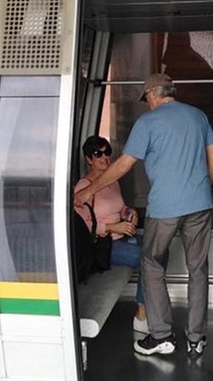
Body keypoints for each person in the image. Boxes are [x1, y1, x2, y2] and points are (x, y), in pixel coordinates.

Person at [75, 73, 213, 357]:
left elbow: (123, 166)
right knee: (198, 269)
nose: (148, 104)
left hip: (165, 208)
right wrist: (202, 189)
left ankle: (162, 335)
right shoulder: (198, 116)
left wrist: (88, 190)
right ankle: (196, 339)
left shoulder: (148, 122)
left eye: (147, 99)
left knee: (151, 263)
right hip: (200, 206)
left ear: (153, 94)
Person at [74, 135, 150, 333]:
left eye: (107, 152)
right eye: (97, 154)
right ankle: (143, 312)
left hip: (123, 238)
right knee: (149, 258)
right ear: (88, 159)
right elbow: (82, 227)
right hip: (105, 245)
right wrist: (113, 228)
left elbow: (121, 207)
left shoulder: (112, 181)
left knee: (159, 249)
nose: (104, 157)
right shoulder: (84, 188)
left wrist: (129, 212)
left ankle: (147, 305)